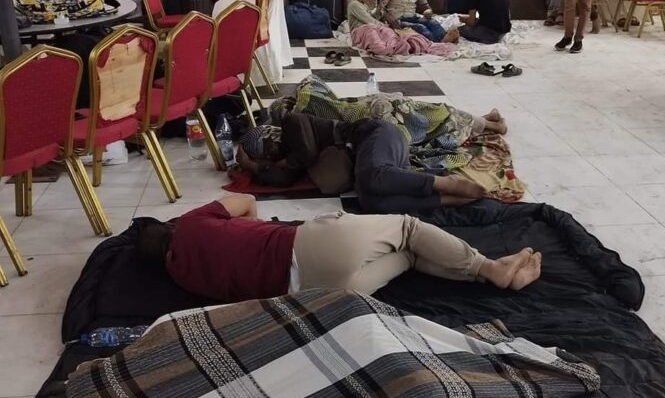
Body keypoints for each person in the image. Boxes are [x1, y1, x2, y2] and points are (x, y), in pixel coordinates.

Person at [137, 195, 543, 302]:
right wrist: (255, 229)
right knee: (409, 228)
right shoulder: (190, 223)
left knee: (408, 256)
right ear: (170, 227)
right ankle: (490, 269)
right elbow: (244, 200)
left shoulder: (182, 277)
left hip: (317, 295)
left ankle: (489, 276)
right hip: (311, 247)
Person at [236, 110, 508, 213]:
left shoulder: (292, 122)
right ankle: (445, 199)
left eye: (267, 148)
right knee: (370, 201)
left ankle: (445, 184)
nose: (272, 155)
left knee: (372, 175)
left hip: (376, 135)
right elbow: (283, 180)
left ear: (270, 135)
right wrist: (252, 167)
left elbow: (305, 154)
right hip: (378, 162)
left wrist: (279, 163)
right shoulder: (287, 160)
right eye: (266, 156)